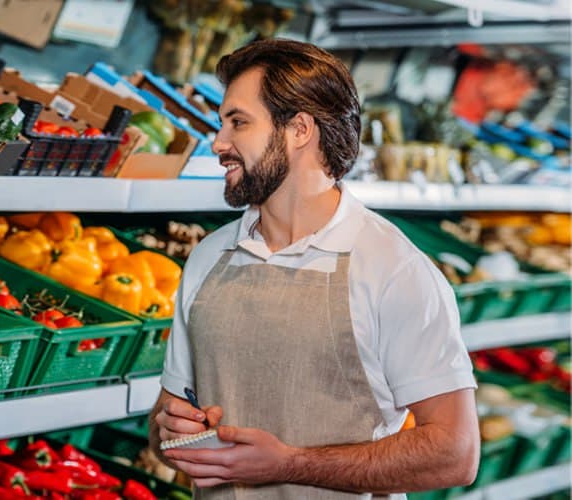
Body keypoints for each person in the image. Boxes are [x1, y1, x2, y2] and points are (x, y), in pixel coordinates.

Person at [149, 38, 480, 499]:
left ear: (299, 129)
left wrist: (290, 464)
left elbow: (454, 452)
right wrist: (170, 428)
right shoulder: (209, 257)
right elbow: (166, 426)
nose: (218, 143)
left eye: (238, 123)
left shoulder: (392, 269)